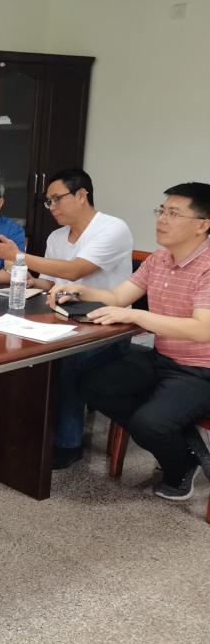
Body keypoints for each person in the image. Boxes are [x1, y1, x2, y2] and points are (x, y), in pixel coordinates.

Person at [50, 182, 210, 500]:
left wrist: (137, 315)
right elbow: (117, 296)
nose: (161, 219)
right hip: (163, 358)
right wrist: (79, 290)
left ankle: (181, 467)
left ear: (203, 225)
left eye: (173, 213)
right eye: (161, 211)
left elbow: (202, 330)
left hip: (200, 370)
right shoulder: (159, 259)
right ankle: (180, 433)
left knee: (150, 424)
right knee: (91, 384)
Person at [0, 168, 133, 469]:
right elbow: (54, 282)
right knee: (15, 348)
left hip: (107, 326)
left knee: (64, 361)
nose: (52, 207)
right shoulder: (56, 236)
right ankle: (23, 428)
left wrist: (17, 256)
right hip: (63, 318)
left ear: (81, 195)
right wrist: (32, 280)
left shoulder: (112, 228)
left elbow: (76, 270)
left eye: (57, 199)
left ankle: (67, 443)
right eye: (48, 202)